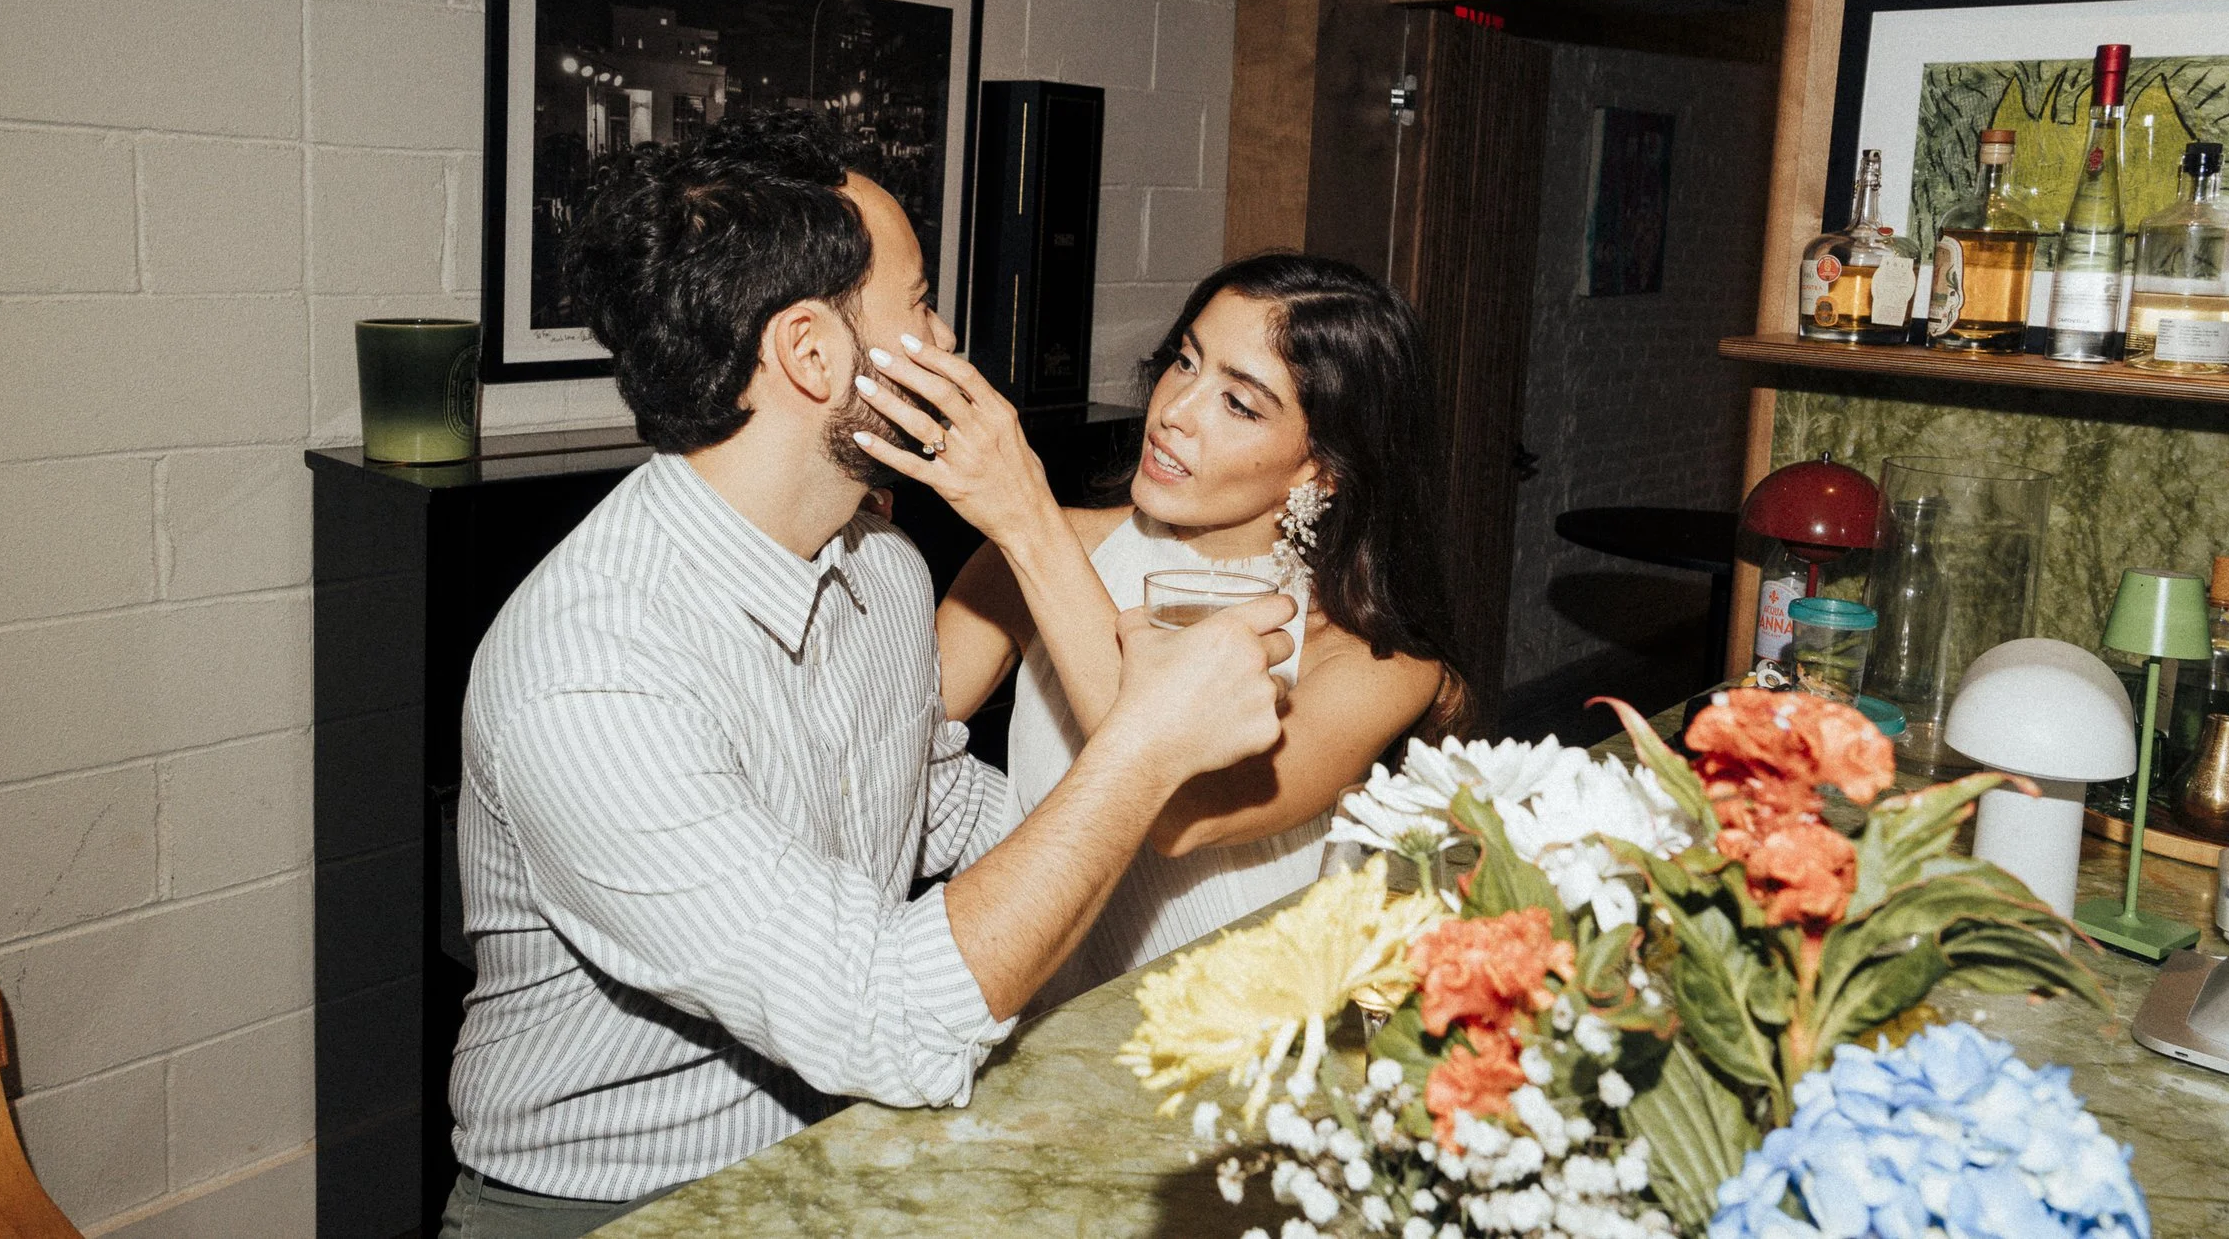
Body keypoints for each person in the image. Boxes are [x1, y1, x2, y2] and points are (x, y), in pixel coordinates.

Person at [441, 121, 1295, 1238]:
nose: (949, 339)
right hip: (607, 1203)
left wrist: (1202, 884)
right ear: (812, 353)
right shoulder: (593, 674)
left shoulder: (881, 567)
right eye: (923, 302)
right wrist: (1143, 744)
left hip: (841, 1142)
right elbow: (885, 1014)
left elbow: (926, 799)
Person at [859, 253, 1476, 1005]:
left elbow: (1182, 811)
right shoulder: (1041, 557)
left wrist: (1028, 519)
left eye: (1239, 403)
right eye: (1185, 361)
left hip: (1242, 1052)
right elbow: (872, 752)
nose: (1175, 409)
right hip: (1038, 1043)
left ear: (1319, 469)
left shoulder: (1375, 658)